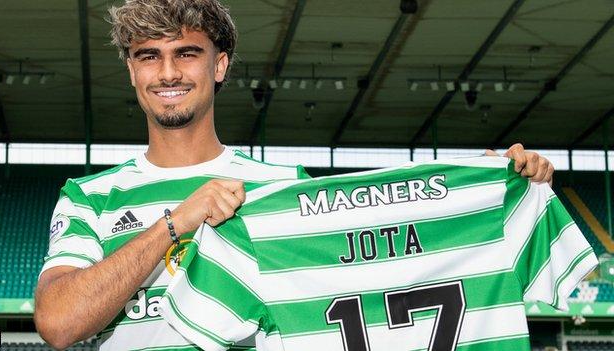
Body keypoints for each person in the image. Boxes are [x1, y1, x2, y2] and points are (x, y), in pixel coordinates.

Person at [33, 0, 555, 350]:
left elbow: (378, 282)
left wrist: (473, 189)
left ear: (219, 66)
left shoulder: (284, 189)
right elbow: (58, 324)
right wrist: (178, 222)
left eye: (186, 54)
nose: (167, 73)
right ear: (132, 70)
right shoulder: (89, 197)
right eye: (150, 57)